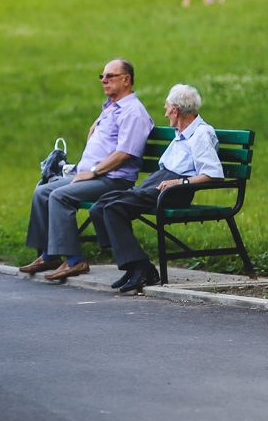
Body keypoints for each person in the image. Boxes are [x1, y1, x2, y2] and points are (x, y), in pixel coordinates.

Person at [20, 59, 154, 281]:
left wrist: (93, 172)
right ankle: (50, 254)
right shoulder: (111, 107)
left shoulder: (133, 112)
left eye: (110, 76)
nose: (104, 80)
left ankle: (75, 261)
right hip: (93, 175)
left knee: (60, 196)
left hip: (113, 179)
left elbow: (125, 153)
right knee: (42, 191)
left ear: (126, 79)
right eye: (102, 76)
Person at [89, 84, 223, 294]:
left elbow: (213, 173)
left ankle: (141, 267)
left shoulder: (201, 134)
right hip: (160, 182)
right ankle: (134, 265)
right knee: (100, 206)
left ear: (175, 111)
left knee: (114, 208)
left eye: (167, 108)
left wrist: (180, 182)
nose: (165, 113)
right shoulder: (182, 132)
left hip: (175, 191)